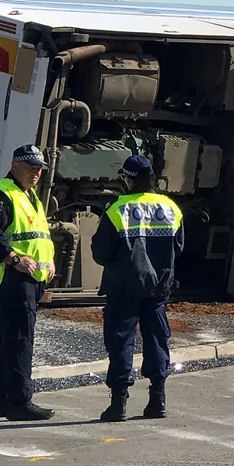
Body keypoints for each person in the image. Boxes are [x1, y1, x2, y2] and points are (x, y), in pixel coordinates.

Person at [91, 154, 185, 422]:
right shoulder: (171, 208)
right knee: (157, 340)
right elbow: (178, 248)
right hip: (158, 289)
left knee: (121, 342)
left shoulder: (117, 209)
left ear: (129, 179)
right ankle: (158, 400)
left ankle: (118, 405)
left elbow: (100, 252)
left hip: (123, 288)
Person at [0, 145, 57, 421]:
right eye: (30, 167)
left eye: (38, 169)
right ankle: (20, 401)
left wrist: (49, 260)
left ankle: (1, 400)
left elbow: (38, 235)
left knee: (12, 341)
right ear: (14, 165)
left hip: (31, 278)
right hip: (11, 278)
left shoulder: (29, 195)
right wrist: (13, 259)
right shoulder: (3, 193)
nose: (36, 173)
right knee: (21, 340)